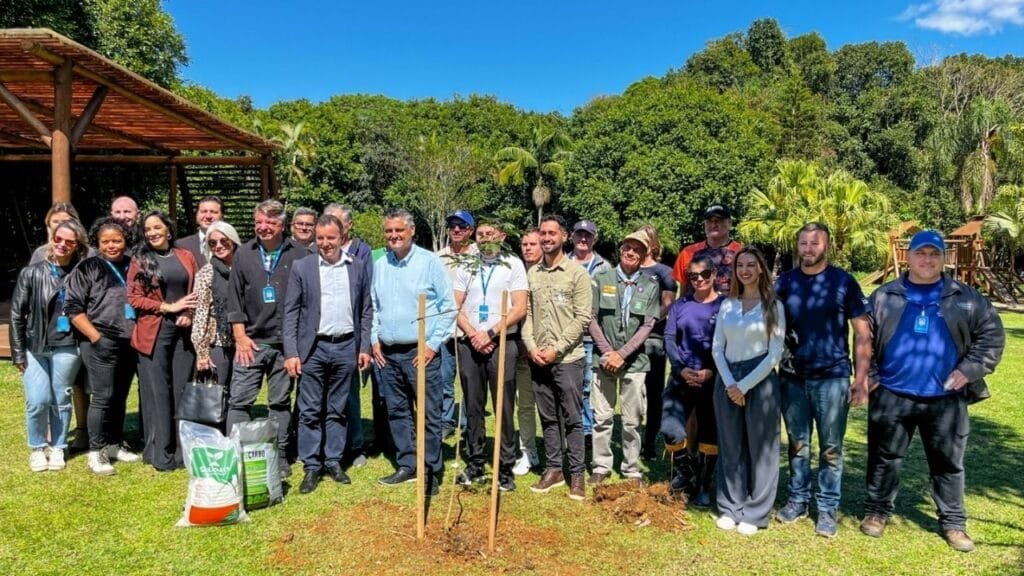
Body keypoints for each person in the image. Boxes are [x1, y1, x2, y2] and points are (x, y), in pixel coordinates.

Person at [860, 230, 1005, 553]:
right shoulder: (885, 296)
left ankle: (953, 522)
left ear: (943, 259)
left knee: (947, 464)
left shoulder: (965, 297)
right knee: (884, 458)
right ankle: (876, 512)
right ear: (908, 257)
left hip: (946, 399)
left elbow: (992, 336)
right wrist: (869, 374)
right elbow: (863, 337)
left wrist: (969, 370)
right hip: (892, 393)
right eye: (921, 253)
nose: (927, 260)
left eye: (934, 254)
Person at [774, 222, 872, 538]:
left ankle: (827, 508)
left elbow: (862, 332)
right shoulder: (785, 283)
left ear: (826, 246)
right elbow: (766, 322)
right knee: (798, 444)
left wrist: (861, 379)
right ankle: (798, 500)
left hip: (832, 377)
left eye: (814, 243)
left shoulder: (843, 282)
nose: (808, 249)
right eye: (803, 243)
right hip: (792, 377)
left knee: (831, 448)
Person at [283, 214, 372, 494]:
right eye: (320, 238)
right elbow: (291, 312)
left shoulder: (357, 266)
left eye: (330, 238)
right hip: (314, 348)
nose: (325, 243)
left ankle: (333, 460)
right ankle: (311, 464)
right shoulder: (303, 267)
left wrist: (364, 347)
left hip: (346, 346)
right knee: (309, 409)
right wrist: (291, 352)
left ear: (342, 236)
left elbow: (365, 310)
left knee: (338, 408)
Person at [372, 208, 455, 496]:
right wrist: (374, 339)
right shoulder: (380, 265)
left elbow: (448, 307)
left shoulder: (429, 262)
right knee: (397, 411)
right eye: (389, 231)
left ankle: (430, 470)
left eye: (399, 230)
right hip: (388, 354)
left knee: (429, 414)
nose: (393, 235)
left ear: (412, 231)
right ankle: (408, 464)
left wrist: (432, 345)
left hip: (421, 353)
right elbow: (373, 306)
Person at [226, 200, 308, 480]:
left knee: (280, 403)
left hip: (285, 345)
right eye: (259, 222)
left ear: (282, 225)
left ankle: (280, 455)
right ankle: (236, 454)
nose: (263, 227)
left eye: (270, 223)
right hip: (250, 343)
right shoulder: (243, 253)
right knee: (239, 402)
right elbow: (234, 298)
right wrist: (240, 336)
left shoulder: (300, 254)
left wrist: (295, 345)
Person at [711, 246, 785, 536]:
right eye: (740, 265)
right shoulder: (727, 305)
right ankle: (730, 506)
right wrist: (731, 383)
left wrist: (743, 386)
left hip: (760, 381)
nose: (745, 270)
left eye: (751, 265)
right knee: (731, 445)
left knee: (761, 448)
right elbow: (717, 348)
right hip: (727, 378)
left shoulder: (773, 306)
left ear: (760, 269)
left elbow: (774, 354)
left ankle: (755, 512)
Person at [452, 220, 528, 491]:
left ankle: (505, 467)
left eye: (490, 234)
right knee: (473, 406)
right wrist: (474, 334)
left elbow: (519, 307)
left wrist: (491, 333)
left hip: (502, 342)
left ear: (502, 236)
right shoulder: (467, 265)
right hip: (469, 343)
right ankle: (475, 463)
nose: (484, 239)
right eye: (481, 234)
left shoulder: (513, 264)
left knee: (503, 406)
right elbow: (455, 305)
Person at [523, 214, 592, 501]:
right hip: (539, 357)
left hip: (568, 359)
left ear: (564, 236)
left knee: (572, 418)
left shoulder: (577, 274)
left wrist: (558, 349)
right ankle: (553, 469)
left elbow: (583, 317)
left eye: (552, 233)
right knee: (548, 416)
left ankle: (576, 474)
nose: (547, 238)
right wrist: (531, 346)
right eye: (543, 233)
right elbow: (527, 314)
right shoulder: (533, 274)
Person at [10, 220, 89, 472]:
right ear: (51, 240)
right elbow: (16, 315)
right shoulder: (31, 273)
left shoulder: (82, 273)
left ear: (77, 246)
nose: (62, 245)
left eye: (69, 242)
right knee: (37, 400)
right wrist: (18, 352)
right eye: (58, 239)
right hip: (36, 347)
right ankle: (37, 448)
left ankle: (58, 446)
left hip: (68, 346)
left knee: (61, 398)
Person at [65, 218, 141, 475]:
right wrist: (96, 337)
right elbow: (73, 308)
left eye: (117, 240)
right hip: (99, 340)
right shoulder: (88, 267)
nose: (111, 246)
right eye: (105, 241)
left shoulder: (133, 264)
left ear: (125, 241)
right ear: (97, 242)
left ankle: (114, 443)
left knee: (119, 396)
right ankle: (96, 451)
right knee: (103, 396)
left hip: (129, 340)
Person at [588, 231, 661, 486]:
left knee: (632, 420)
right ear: (621, 250)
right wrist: (608, 352)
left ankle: (631, 469)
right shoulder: (601, 278)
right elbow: (591, 318)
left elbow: (648, 325)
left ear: (645, 254)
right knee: (602, 418)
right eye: (627, 247)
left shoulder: (651, 285)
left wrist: (622, 354)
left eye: (637, 249)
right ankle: (601, 466)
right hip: (603, 360)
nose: (631, 252)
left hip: (634, 362)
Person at [128, 211, 198, 471]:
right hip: (154, 332)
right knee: (159, 393)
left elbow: (197, 290)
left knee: (181, 390)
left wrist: (188, 313)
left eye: (157, 227)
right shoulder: (141, 260)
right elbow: (134, 298)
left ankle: (181, 452)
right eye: (147, 229)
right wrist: (168, 307)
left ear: (168, 230)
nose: (152, 233)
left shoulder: (185, 256)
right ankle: (161, 453)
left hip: (183, 332)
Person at [662, 255, 724, 507]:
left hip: (713, 378)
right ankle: (685, 471)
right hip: (681, 376)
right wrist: (680, 369)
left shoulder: (725, 306)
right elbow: (669, 339)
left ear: (714, 274)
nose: (699, 279)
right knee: (670, 427)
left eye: (704, 274)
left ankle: (703, 485)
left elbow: (729, 343)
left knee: (710, 433)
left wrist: (711, 370)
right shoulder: (680, 305)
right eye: (693, 276)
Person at [323, 202, 376, 465]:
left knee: (350, 394)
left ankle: (355, 446)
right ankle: (328, 446)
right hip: (323, 335)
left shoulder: (361, 252)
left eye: (337, 221)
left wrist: (364, 342)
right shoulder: (319, 250)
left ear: (349, 225)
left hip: (350, 336)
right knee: (323, 396)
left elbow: (365, 297)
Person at [190, 221, 242, 429]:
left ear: (233, 241)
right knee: (217, 393)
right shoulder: (206, 273)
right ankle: (215, 436)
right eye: (213, 243)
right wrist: (202, 352)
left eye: (223, 241)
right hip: (218, 341)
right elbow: (200, 314)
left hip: (244, 340)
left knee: (239, 394)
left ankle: (234, 433)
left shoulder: (245, 268)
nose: (218, 246)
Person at [567, 219, 611, 447]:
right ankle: (569, 428)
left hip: (592, 337)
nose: (583, 239)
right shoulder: (562, 262)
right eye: (579, 234)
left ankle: (586, 430)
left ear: (595, 239)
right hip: (566, 336)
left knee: (587, 386)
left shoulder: (604, 267)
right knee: (568, 386)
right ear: (571, 236)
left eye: (588, 235)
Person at [636, 225, 677, 459]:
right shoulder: (627, 268)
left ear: (653, 244)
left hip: (654, 339)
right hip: (627, 340)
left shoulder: (664, 272)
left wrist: (646, 324)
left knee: (653, 393)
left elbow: (667, 304)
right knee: (632, 394)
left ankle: (649, 443)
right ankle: (632, 441)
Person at [436, 210, 478, 438]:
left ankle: (469, 421)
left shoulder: (479, 255)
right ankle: (446, 420)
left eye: (461, 226)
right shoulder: (439, 257)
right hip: (445, 330)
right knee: (444, 379)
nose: (456, 230)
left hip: (470, 329)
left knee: (470, 379)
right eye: (452, 226)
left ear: (470, 230)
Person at [512, 227, 543, 476]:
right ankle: (528, 451)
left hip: (546, 350)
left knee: (550, 406)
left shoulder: (549, 272)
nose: (528, 248)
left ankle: (556, 451)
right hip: (520, 350)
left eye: (533, 244)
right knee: (524, 405)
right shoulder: (515, 271)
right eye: (524, 244)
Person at [671, 205, 743, 294]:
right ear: (704, 224)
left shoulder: (741, 253)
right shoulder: (688, 252)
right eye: (709, 221)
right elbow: (683, 292)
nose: (713, 225)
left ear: (730, 223)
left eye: (719, 220)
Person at [175, 195, 224, 267]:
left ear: (222, 217)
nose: (208, 216)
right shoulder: (180, 246)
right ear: (196, 216)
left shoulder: (231, 246)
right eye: (203, 211)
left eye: (213, 212)